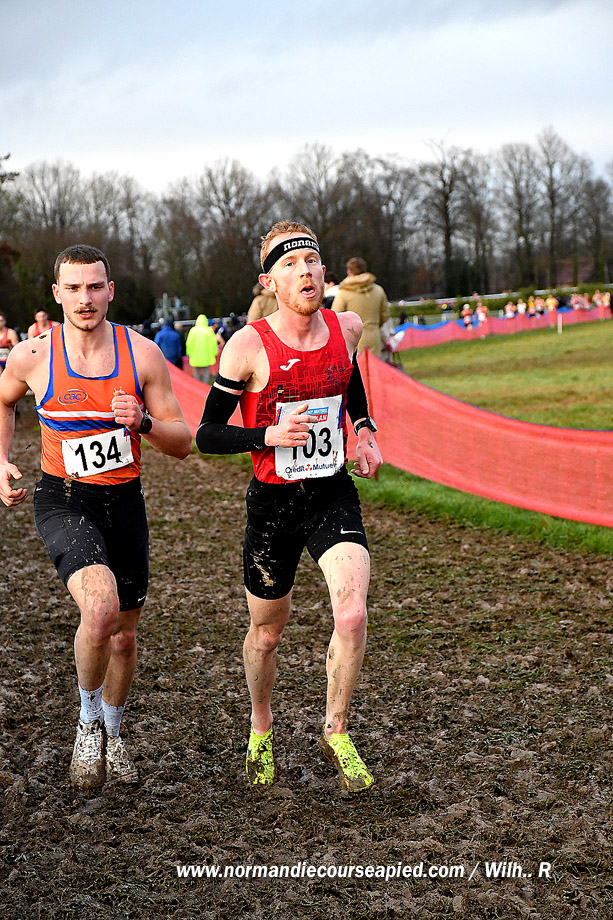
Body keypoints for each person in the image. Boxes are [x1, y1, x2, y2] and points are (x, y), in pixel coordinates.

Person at [196, 220, 382, 794]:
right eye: (290, 264)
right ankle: (261, 726)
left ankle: (336, 730)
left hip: (330, 493)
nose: (305, 272)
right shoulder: (247, 346)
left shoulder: (347, 328)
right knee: (267, 633)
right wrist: (266, 436)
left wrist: (364, 430)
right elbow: (206, 433)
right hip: (272, 504)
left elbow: (349, 383)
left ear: (325, 272)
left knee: (352, 614)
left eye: (311, 261)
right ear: (269, 282)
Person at [0, 244, 192, 790]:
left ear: (111, 291)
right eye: (73, 288)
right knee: (101, 608)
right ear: (56, 294)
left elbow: (183, 443)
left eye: (94, 287)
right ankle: (87, 723)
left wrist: (145, 424)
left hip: (123, 502)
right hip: (64, 499)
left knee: (125, 638)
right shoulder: (33, 356)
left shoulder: (143, 355)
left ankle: (113, 728)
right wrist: (0, 459)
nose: (85, 299)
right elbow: (4, 401)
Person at [332, 257, 390, 359]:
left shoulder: (343, 292)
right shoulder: (378, 290)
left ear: (349, 272)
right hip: (374, 338)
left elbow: (334, 318)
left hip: (352, 340)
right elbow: (385, 316)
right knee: (374, 367)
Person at [185, 313, 219, 383]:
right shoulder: (209, 331)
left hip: (195, 355)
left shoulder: (193, 331)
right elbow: (213, 343)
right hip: (206, 355)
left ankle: (197, 384)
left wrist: (188, 352)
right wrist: (214, 352)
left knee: (196, 370)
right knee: (206, 370)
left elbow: (189, 343)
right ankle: (205, 384)